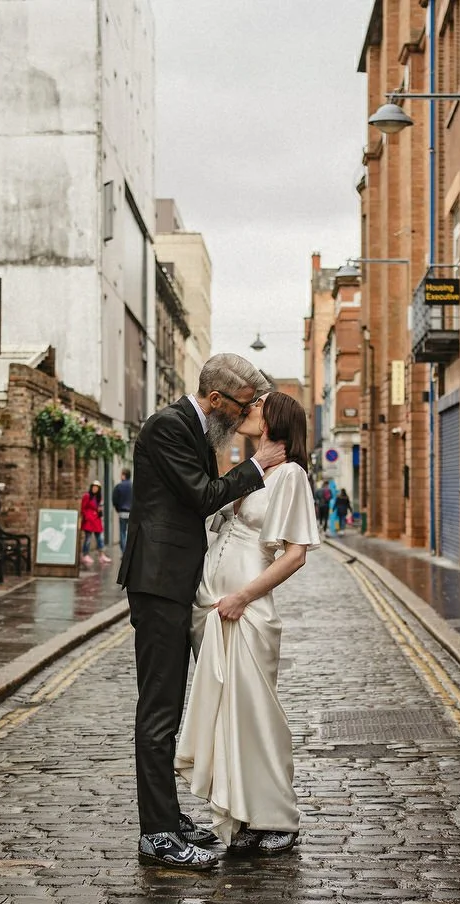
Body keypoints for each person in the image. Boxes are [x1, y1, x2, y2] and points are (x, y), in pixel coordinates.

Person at [117, 354, 286, 871]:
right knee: (159, 709)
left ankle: (169, 818)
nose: (246, 414)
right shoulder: (168, 426)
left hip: (176, 583)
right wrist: (256, 466)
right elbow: (201, 495)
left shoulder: (195, 428)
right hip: (158, 584)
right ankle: (157, 835)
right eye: (243, 405)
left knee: (174, 705)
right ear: (216, 399)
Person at [175, 391, 319, 855]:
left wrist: (243, 596)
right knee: (227, 716)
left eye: (257, 405)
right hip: (214, 610)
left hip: (245, 610)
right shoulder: (252, 470)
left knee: (256, 714)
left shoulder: (291, 475)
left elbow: (295, 555)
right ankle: (242, 816)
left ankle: (278, 818)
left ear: (274, 419)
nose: (247, 409)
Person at [80, 481, 107, 564]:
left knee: (100, 538)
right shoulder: (87, 496)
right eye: (93, 487)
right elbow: (83, 508)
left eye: (97, 487)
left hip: (96, 521)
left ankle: (101, 555)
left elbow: (100, 508)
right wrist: (87, 517)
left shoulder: (99, 498)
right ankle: (85, 555)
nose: (95, 488)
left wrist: (99, 511)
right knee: (88, 538)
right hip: (89, 521)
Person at [111, 469, 133, 554]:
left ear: (124, 475)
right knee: (131, 533)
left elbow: (114, 499)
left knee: (122, 532)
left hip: (122, 512)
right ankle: (130, 552)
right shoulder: (133, 486)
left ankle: (124, 552)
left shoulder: (119, 486)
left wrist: (118, 509)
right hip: (132, 513)